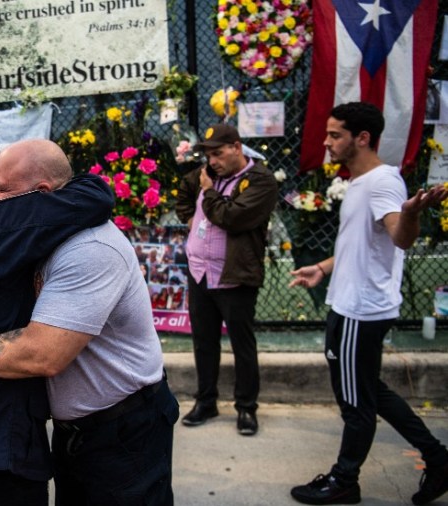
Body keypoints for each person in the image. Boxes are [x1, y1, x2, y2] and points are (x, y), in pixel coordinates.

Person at [0, 139, 178, 506]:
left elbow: (42, 355)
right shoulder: (32, 237)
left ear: (41, 193)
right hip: (72, 430)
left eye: (1, 188)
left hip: (122, 429)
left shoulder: (89, 247)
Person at [288, 102, 448, 505]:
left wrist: (411, 213)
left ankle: (344, 480)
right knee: (368, 391)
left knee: (356, 402)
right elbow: (360, 244)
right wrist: (324, 268)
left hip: (360, 310)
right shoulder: (361, 181)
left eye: (335, 134)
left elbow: (400, 237)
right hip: (351, 304)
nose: (326, 142)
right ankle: (440, 459)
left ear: (362, 138)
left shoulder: (381, 183)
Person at [175, 123, 278, 436]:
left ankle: (246, 407)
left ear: (237, 147)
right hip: (200, 272)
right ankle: (206, 401)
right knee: (204, 343)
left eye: (218, 154)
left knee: (241, 345)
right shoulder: (204, 175)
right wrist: (192, 219)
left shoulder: (260, 180)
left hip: (235, 274)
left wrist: (207, 193)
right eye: (208, 155)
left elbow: (231, 218)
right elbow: (182, 194)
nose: (212, 161)